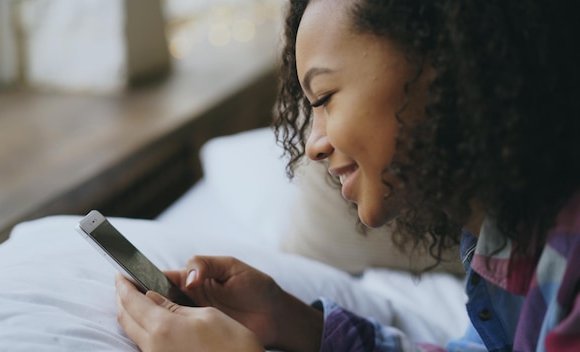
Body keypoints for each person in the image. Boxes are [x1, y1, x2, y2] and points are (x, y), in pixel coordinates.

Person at [114, 0, 580, 350]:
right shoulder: (505, 237)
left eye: (324, 98)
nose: (314, 145)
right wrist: (292, 323)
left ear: (447, 58)